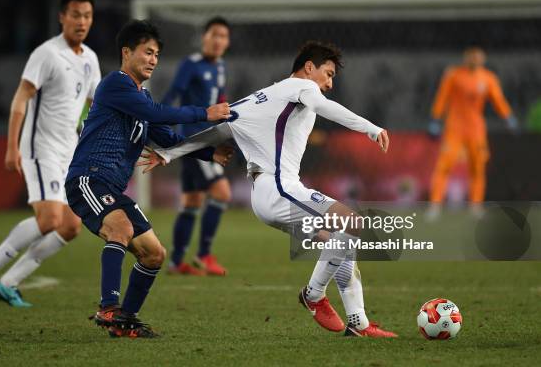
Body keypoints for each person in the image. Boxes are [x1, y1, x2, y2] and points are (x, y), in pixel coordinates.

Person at [139, 41, 397, 338]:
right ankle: (313, 295)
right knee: (352, 223)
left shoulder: (260, 98)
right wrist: (371, 128)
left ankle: (358, 323)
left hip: (267, 194)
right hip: (279, 189)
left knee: (339, 242)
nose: (328, 83)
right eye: (327, 74)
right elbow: (325, 107)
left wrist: (170, 153)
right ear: (309, 67)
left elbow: (221, 128)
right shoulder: (302, 88)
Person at [64, 20, 232, 338]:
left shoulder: (140, 98)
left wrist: (211, 155)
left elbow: (166, 138)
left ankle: (125, 321)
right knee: (121, 228)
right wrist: (204, 113)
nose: (153, 59)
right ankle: (108, 307)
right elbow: (158, 114)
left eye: (156, 54)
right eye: (147, 52)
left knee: (155, 254)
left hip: (111, 188)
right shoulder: (115, 84)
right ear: (127, 53)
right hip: (88, 179)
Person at [0, 0, 101, 308]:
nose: (81, 21)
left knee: (71, 226)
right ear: (62, 17)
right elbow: (20, 99)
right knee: (49, 220)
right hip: (39, 146)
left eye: (86, 16)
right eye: (75, 15)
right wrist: (11, 146)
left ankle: (9, 283)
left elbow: (89, 103)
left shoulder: (90, 59)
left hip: (69, 150)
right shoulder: (46, 53)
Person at [162, 17, 231, 276]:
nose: (218, 41)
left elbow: (221, 99)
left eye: (223, 36)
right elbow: (173, 95)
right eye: (214, 34)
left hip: (208, 138)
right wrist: (158, 119)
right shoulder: (190, 65)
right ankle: (203, 255)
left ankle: (176, 262)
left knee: (192, 200)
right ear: (203, 37)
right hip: (194, 140)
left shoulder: (220, 67)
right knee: (221, 192)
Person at [427, 47, 517, 217]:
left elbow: (498, 100)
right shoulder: (453, 75)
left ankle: (475, 206)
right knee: (444, 165)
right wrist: (435, 118)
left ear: (483, 58)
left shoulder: (488, 78)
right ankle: (435, 206)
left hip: (476, 129)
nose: (475, 59)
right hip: (454, 128)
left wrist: (508, 117)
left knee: (478, 167)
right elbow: (442, 97)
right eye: (472, 56)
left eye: (478, 56)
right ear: (465, 57)